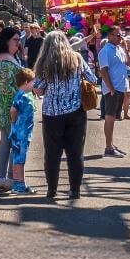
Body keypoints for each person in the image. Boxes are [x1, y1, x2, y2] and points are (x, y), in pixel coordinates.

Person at [34, 30, 90, 200]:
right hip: (76, 111)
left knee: (52, 153)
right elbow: (92, 78)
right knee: (75, 153)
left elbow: (38, 88)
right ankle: (75, 190)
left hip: (52, 112)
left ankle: (52, 190)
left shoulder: (45, 62)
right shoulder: (77, 59)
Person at [0, 27, 25, 194]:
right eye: (15, 40)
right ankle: (8, 178)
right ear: (6, 41)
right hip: (10, 105)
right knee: (12, 141)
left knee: (6, 141)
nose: (18, 43)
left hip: (4, 104)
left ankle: (2, 178)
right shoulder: (5, 61)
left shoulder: (1, 58)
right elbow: (5, 88)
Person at [96, 25, 130, 158]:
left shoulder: (119, 49)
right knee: (109, 117)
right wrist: (111, 88)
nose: (120, 37)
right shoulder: (106, 51)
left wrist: (126, 49)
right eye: (118, 35)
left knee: (114, 117)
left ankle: (111, 144)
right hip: (113, 89)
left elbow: (129, 64)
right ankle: (108, 147)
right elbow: (103, 71)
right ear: (110, 36)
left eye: (121, 34)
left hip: (121, 88)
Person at [7, 69, 38, 194]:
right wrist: (14, 122)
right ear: (26, 82)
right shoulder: (22, 95)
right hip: (22, 132)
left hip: (22, 131)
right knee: (20, 158)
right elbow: (13, 110)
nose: (34, 85)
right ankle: (19, 184)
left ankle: (19, 183)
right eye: (32, 82)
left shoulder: (23, 94)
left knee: (18, 157)